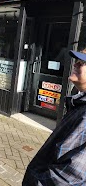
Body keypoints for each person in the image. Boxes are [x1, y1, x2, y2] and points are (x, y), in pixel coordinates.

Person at [22, 49, 86, 185]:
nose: (75, 64)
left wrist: (36, 182)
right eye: (77, 61)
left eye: (82, 63)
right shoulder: (79, 101)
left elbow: (69, 176)